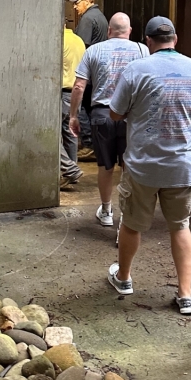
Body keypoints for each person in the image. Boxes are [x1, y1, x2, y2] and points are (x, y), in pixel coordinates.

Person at [107, 17, 191, 315]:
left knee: (131, 224)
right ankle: (185, 294)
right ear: (175, 39)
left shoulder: (136, 69)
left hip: (143, 166)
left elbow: (115, 113)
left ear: (148, 42)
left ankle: (124, 278)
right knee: (180, 227)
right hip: (182, 166)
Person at [69, 13, 148, 227]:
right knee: (128, 167)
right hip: (130, 117)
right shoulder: (143, 50)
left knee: (105, 167)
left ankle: (106, 211)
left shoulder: (93, 50)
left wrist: (74, 116)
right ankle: (126, 215)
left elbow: (78, 86)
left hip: (102, 115)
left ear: (108, 31)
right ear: (129, 31)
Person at [67, 0, 108, 152]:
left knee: (81, 105)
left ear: (87, 1)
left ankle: (88, 143)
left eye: (77, 3)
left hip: (88, 71)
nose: (75, 7)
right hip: (98, 70)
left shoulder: (88, 19)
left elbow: (81, 45)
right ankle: (95, 142)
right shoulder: (100, 16)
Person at [60, 26, 85, 189]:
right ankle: (72, 173)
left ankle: (70, 169)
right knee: (71, 132)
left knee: (53, 135)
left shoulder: (59, 40)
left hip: (62, 92)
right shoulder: (79, 40)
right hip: (76, 91)